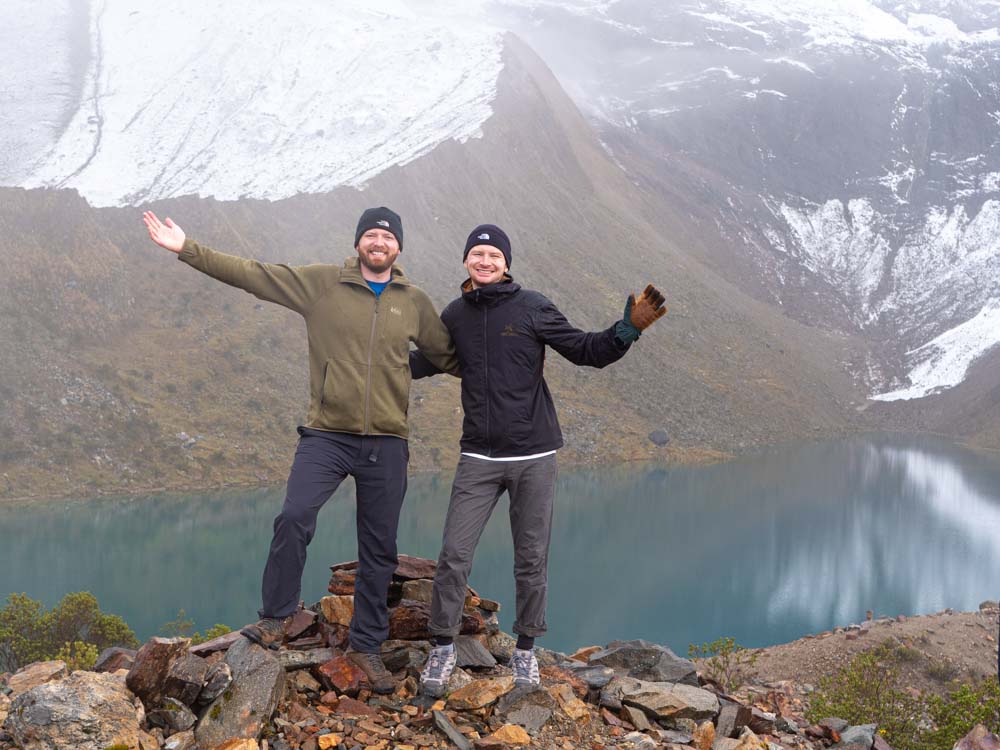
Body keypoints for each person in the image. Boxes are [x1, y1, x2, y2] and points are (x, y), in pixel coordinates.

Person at [142, 207, 456, 693]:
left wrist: (405, 369)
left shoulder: (412, 301)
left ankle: (367, 647)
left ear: (398, 248)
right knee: (293, 517)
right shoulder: (321, 285)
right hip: (327, 434)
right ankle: (275, 617)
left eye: (386, 237)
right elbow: (255, 276)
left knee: (379, 550)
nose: (378, 243)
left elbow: (446, 354)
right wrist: (188, 249)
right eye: (370, 235)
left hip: (388, 442)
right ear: (358, 244)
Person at [410, 224, 666, 696]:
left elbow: (586, 351)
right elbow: (423, 362)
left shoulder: (532, 306)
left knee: (530, 560)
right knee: (453, 556)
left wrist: (626, 330)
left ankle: (526, 652)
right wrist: (371, 352)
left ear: (506, 262)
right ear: (466, 261)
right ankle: (442, 649)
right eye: (477, 254)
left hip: (535, 456)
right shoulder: (455, 315)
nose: (484, 261)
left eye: (493, 255)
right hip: (478, 457)